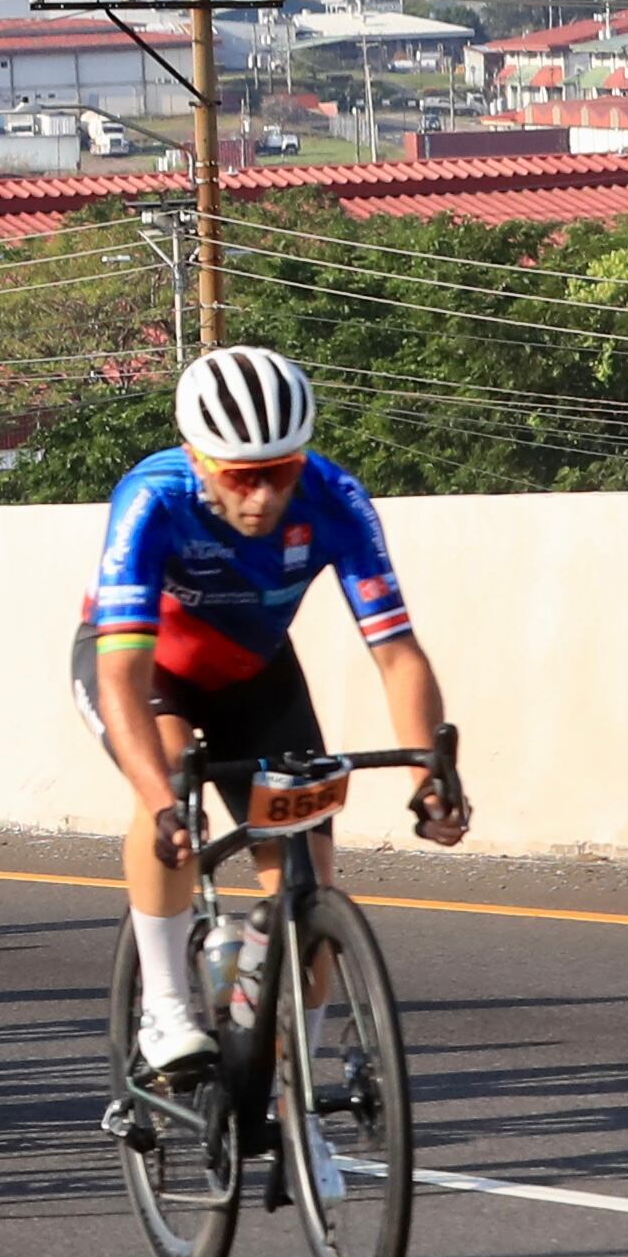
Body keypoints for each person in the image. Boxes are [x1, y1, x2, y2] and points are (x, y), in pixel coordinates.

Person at [78, 345, 465, 1081]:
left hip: (255, 677)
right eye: (238, 476)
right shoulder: (152, 497)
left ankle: (293, 1100)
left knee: (306, 882)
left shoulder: (333, 496)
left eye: (279, 472)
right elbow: (120, 675)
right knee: (170, 780)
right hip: (150, 671)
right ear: (197, 459)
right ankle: (165, 1007)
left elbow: (397, 654)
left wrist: (429, 775)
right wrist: (161, 804)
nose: (260, 497)